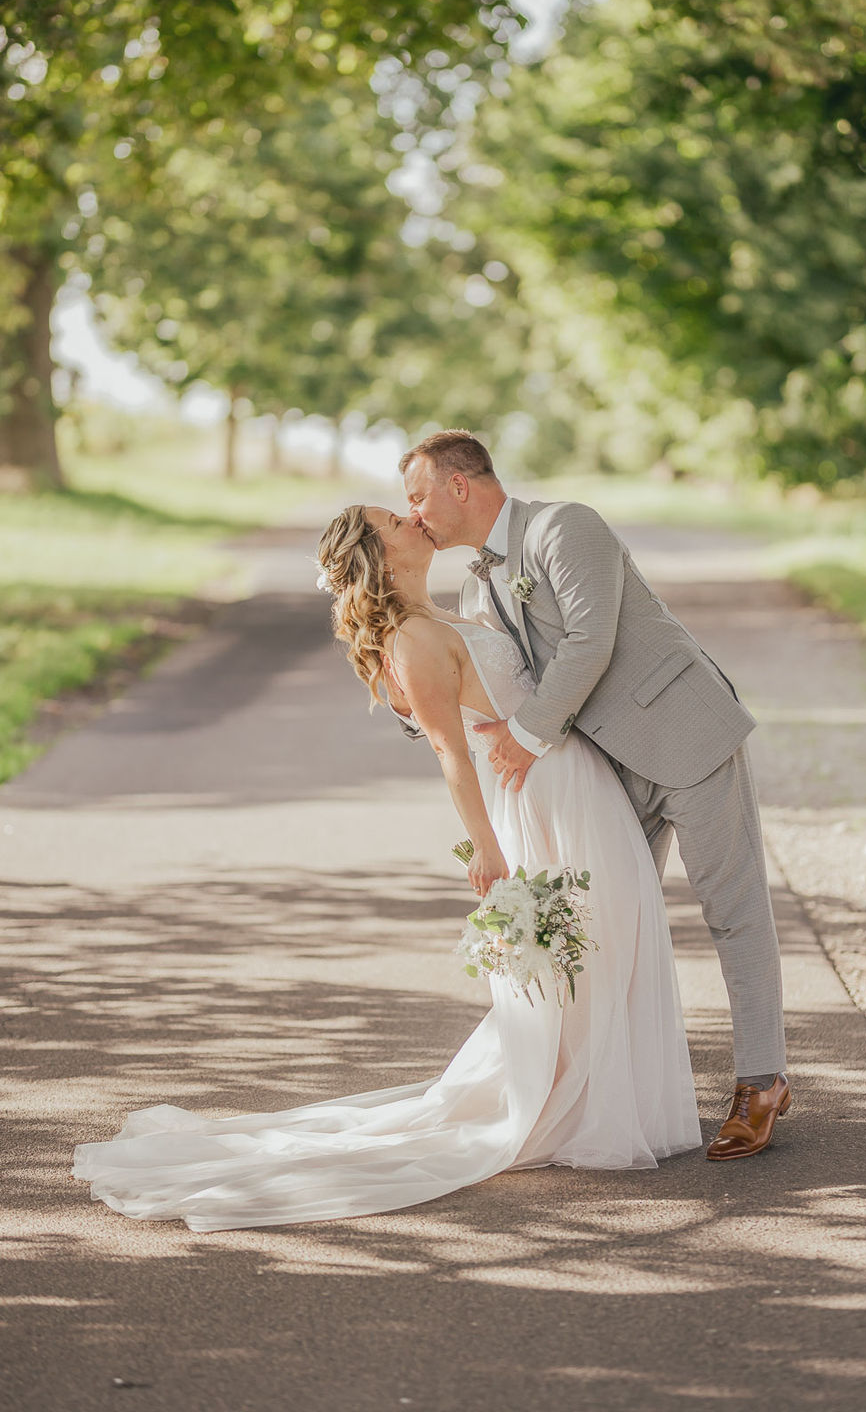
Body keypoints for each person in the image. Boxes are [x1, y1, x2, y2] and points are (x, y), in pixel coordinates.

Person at [71, 502, 701, 1232]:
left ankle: (599, 1100)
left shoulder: (459, 610)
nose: (413, 516)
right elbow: (448, 752)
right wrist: (488, 849)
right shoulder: (409, 638)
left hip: (576, 789)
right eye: (395, 517)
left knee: (614, 943)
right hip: (537, 805)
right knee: (578, 956)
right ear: (379, 549)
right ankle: (572, 1106)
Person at [399, 431, 790, 1162]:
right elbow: (496, 674)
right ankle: (598, 1087)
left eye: (418, 495)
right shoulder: (475, 583)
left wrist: (527, 735)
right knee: (606, 923)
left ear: (459, 485)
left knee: (732, 912)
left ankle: (760, 1084)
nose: (414, 513)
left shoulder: (563, 525)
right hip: (606, 771)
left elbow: (589, 639)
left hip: (684, 735)